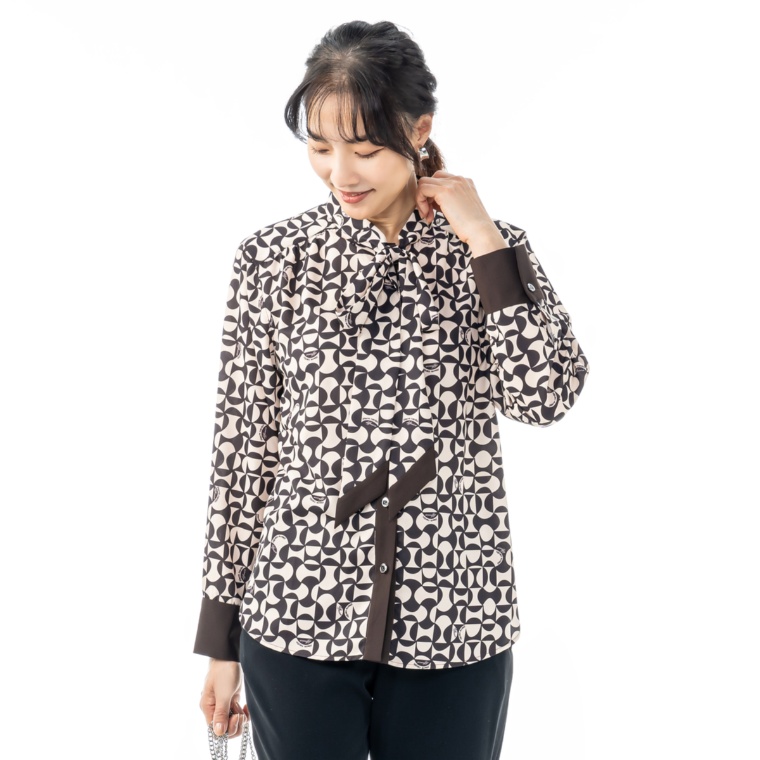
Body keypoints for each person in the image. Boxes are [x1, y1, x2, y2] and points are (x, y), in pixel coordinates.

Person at [195, 19, 590, 760]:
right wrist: (220, 639)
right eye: (320, 146)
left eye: (366, 148)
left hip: (455, 617)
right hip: (297, 613)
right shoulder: (273, 259)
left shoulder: (487, 250)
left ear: (419, 130)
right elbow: (243, 450)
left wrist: (485, 242)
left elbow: (546, 397)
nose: (340, 171)